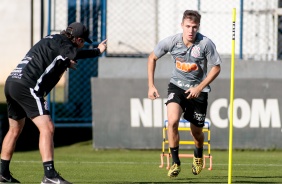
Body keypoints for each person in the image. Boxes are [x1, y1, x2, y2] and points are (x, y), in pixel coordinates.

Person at [0, 22, 107, 183]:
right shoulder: (65, 44)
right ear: (77, 39)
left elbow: (49, 57)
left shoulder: (53, 38)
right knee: (47, 127)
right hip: (27, 86)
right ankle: (49, 176)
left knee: (14, 130)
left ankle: (3, 173)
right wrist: (97, 51)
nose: (83, 44)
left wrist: (64, 62)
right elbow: (75, 54)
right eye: (83, 41)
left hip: (12, 83)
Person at [147, 10, 221, 177]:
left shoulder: (205, 44)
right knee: (172, 121)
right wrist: (151, 86)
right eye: (187, 26)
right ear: (182, 26)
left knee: (197, 133)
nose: (190, 31)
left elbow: (216, 67)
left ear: (198, 27)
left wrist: (199, 87)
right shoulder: (172, 42)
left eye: (194, 27)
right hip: (177, 87)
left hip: (198, 91)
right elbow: (152, 58)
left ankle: (198, 154)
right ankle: (175, 163)